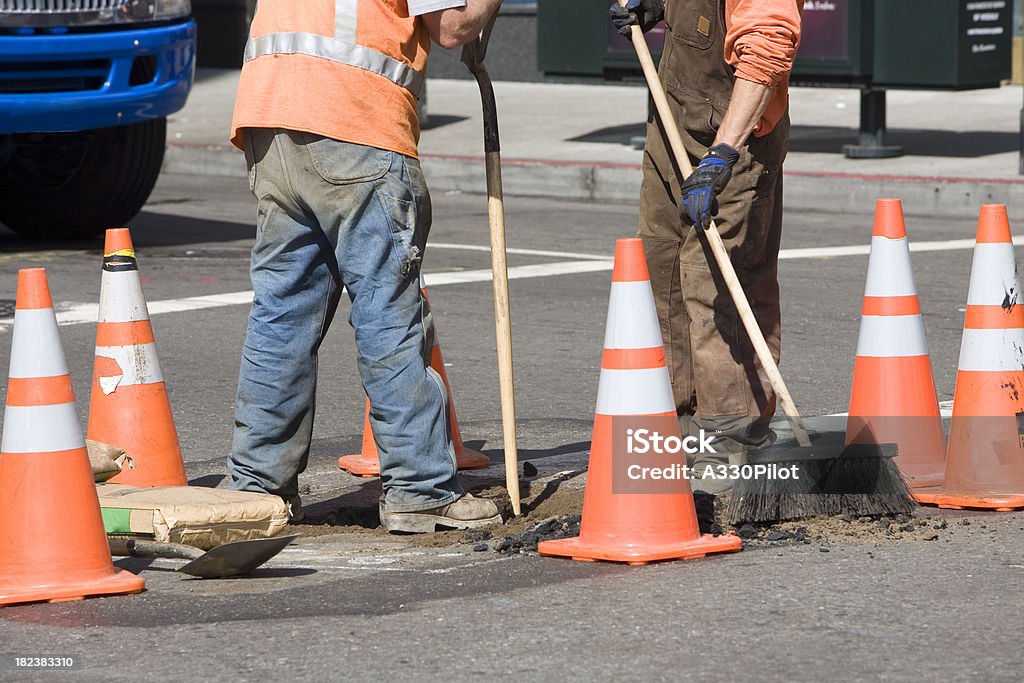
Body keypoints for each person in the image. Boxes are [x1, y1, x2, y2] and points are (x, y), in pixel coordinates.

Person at [227, 0, 503, 532]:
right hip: (352, 118)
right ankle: (420, 490)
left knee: (280, 316)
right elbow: (451, 26)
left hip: (269, 115)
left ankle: (258, 488)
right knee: (388, 316)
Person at [609, 0, 802, 492]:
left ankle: (729, 436)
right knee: (662, 269)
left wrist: (722, 156)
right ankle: (669, 426)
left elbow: (766, 50)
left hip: (737, 138)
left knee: (713, 279)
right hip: (674, 121)